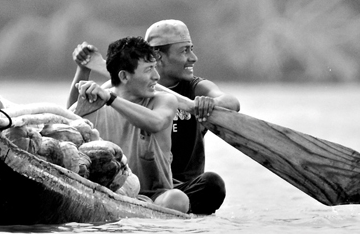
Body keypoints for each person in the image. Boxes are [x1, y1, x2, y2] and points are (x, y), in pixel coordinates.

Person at [72, 20, 240, 215]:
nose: (193, 58)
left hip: (168, 188)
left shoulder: (178, 94)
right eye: (184, 51)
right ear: (158, 55)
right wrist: (84, 72)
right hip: (123, 184)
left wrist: (197, 106)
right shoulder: (109, 93)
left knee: (210, 186)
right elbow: (72, 116)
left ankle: (169, 210)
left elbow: (232, 103)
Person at [68, 36, 189, 213]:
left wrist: (110, 99)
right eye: (149, 70)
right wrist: (83, 71)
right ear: (124, 76)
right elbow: (69, 122)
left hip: (154, 197)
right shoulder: (97, 102)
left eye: (155, 68)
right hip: (108, 194)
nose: (157, 76)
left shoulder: (165, 100)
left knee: (177, 199)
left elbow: (156, 122)